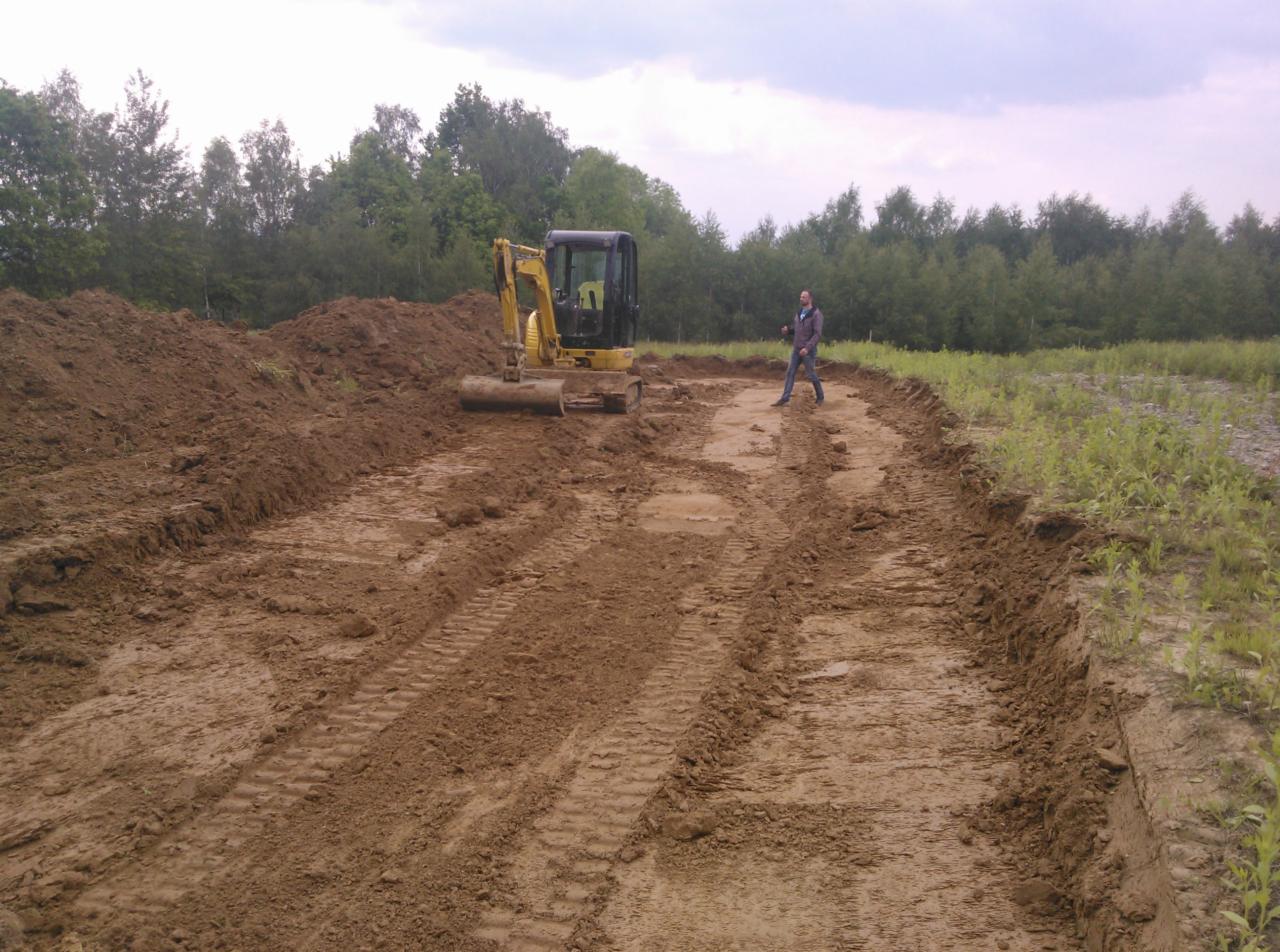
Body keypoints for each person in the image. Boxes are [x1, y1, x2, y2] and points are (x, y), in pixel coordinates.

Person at [772, 289, 825, 407]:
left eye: (804, 297)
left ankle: (820, 397)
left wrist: (807, 348)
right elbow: (797, 329)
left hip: (808, 351)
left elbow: (817, 334)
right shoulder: (799, 312)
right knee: (790, 372)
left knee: (811, 374)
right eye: (800, 297)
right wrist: (788, 330)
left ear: (810, 299)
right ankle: (785, 398)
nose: (801, 299)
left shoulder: (816, 314)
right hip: (796, 349)